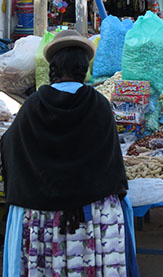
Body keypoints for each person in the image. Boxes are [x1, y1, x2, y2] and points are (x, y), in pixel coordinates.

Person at [1, 30, 137, 275]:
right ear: (84, 68)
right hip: (94, 220)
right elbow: (112, 161)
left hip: (43, 217)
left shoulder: (33, 106)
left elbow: (11, 147)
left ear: (54, 67)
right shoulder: (99, 105)